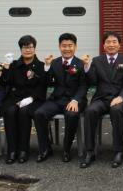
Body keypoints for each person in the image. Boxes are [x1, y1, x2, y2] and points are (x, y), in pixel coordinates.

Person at [81, 31, 123, 169]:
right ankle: (90, 151)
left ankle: (118, 151)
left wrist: (121, 97)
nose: (111, 44)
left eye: (114, 42)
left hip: (120, 98)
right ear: (103, 45)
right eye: (108, 42)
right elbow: (93, 81)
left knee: (116, 110)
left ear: (119, 45)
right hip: (102, 98)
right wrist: (86, 66)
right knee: (90, 111)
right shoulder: (97, 60)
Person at [34, 33, 88, 163]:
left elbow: (84, 86)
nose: (67, 48)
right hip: (56, 99)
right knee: (39, 113)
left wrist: (75, 100)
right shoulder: (54, 63)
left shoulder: (81, 63)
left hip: (75, 99)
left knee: (71, 114)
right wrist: (47, 67)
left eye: (70, 45)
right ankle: (45, 148)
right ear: (59, 47)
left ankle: (66, 149)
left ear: (75, 47)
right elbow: (46, 82)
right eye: (64, 46)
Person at [0, 35, 47, 164]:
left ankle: (23, 150)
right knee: (10, 111)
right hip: (15, 98)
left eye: (30, 47)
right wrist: (6, 69)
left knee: (24, 112)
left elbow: (42, 86)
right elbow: (6, 82)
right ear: (20, 49)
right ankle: (12, 150)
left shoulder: (40, 66)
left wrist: (31, 98)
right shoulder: (14, 64)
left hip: (33, 99)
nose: (28, 50)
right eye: (25, 47)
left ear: (34, 49)